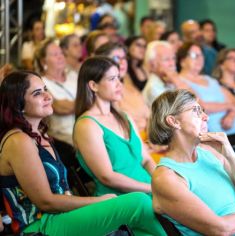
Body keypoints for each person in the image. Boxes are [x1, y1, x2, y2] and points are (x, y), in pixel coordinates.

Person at [0, 71, 165, 236]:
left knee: (142, 210)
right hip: (38, 225)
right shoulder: (18, 141)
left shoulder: (40, 136)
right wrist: (98, 201)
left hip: (61, 217)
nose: (48, 96)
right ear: (17, 103)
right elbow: (46, 202)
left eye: (45, 89)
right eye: (37, 93)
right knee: (138, 202)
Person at [149, 89, 235, 235]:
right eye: (196, 111)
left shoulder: (210, 152)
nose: (206, 117)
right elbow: (220, 230)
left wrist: (230, 154)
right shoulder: (166, 177)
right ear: (174, 121)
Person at [73, 57, 156, 196]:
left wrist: (161, 183)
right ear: (94, 86)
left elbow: (146, 160)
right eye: (112, 79)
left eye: (119, 78)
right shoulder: (87, 125)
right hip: (122, 198)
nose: (119, 84)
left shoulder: (125, 117)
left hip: (149, 189)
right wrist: (152, 189)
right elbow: (107, 177)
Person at [177, 42, 235, 172]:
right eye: (194, 55)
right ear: (182, 61)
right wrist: (229, 106)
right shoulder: (181, 82)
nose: (199, 59)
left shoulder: (211, 80)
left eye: (201, 55)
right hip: (215, 144)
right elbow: (201, 106)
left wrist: (231, 114)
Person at [94, 42, 150, 138]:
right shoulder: (104, 92)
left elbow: (148, 114)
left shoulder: (127, 80)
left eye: (124, 58)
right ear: (103, 63)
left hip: (150, 137)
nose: (122, 62)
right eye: (116, 58)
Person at [34, 38, 77, 145]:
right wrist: (87, 102)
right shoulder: (41, 82)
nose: (60, 57)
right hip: (63, 138)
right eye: (54, 54)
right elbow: (59, 107)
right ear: (43, 61)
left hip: (86, 129)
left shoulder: (74, 75)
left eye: (61, 53)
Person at [142, 41, 189, 106]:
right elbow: (188, 107)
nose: (172, 63)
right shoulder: (153, 89)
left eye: (173, 58)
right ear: (152, 64)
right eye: (166, 59)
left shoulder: (169, 80)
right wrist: (178, 82)